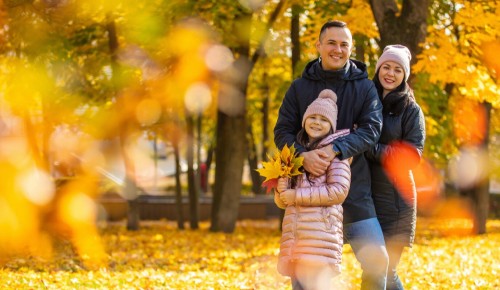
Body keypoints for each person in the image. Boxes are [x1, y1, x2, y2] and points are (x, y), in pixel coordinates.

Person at [274, 20, 387, 289]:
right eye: (332, 43)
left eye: (344, 44)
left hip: (354, 189)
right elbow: (283, 132)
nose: (338, 49)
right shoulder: (299, 88)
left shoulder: (364, 88)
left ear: (351, 49)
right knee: (304, 275)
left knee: (378, 261)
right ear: (319, 46)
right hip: (308, 196)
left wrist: (335, 149)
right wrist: (303, 156)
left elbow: (372, 130)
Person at [274, 89, 351, 290]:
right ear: (304, 120)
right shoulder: (295, 154)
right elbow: (284, 201)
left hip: (320, 240)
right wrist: (281, 193)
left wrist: (296, 196)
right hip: (296, 240)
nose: (317, 122)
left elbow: (338, 191)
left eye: (323, 120)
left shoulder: (334, 155)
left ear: (332, 126)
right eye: (313, 117)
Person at [365, 45, 426, 290]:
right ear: (379, 68)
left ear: (405, 75)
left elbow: (411, 156)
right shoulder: (366, 101)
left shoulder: (411, 109)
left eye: (397, 70)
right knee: (374, 269)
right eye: (386, 67)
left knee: (384, 271)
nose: (390, 73)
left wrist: (371, 148)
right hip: (367, 198)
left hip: (396, 201)